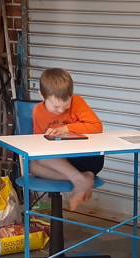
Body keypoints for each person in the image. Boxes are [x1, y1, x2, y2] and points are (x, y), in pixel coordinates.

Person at [30, 68, 104, 210]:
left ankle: (79, 178)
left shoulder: (77, 101)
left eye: (66, 105)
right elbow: (38, 142)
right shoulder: (38, 111)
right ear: (42, 96)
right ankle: (82, 177)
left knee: (43, 158)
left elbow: (97, 126)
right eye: (56, 107)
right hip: (63, 161)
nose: (61, 111)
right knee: (34, 166)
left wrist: (66, 129)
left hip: (88, 157)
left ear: (71, 96)